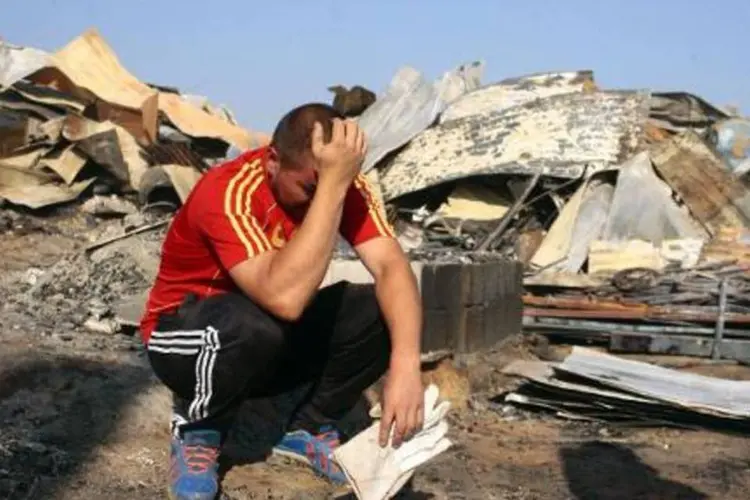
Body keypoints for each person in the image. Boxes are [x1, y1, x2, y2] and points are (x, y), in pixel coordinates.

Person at [139, 103, 425, 500]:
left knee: (381, 310)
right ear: (273, 161)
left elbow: (393, 268)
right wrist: (330, 190)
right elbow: (285, 300)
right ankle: (196, 428)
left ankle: (307, 426)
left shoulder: (338, 184)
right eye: (310, 187)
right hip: (187, 335)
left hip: (263, 338)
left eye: (332, 182)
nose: (317, 198)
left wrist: (406, 364)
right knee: (248, 323)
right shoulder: (229, 190)